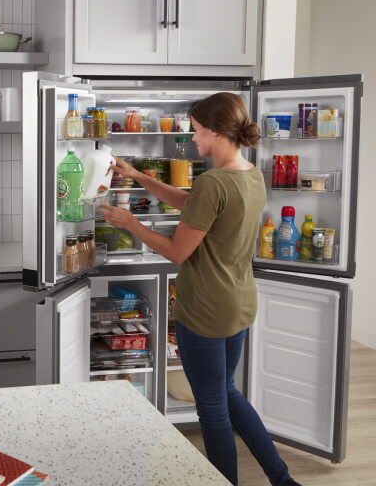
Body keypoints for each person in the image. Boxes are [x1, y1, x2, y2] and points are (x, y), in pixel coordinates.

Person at [98, 92, 301, 486]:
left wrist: (130, 223)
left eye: (195, 130)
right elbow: (193, 203)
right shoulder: (250, 174)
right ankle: (282, 479)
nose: (192, 138)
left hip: (206, 309)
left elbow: (177, 252)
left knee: (211, 408)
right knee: (227, 393)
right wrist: (140, 177)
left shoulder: (213, 181)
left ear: (213, 131)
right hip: (238, 304)